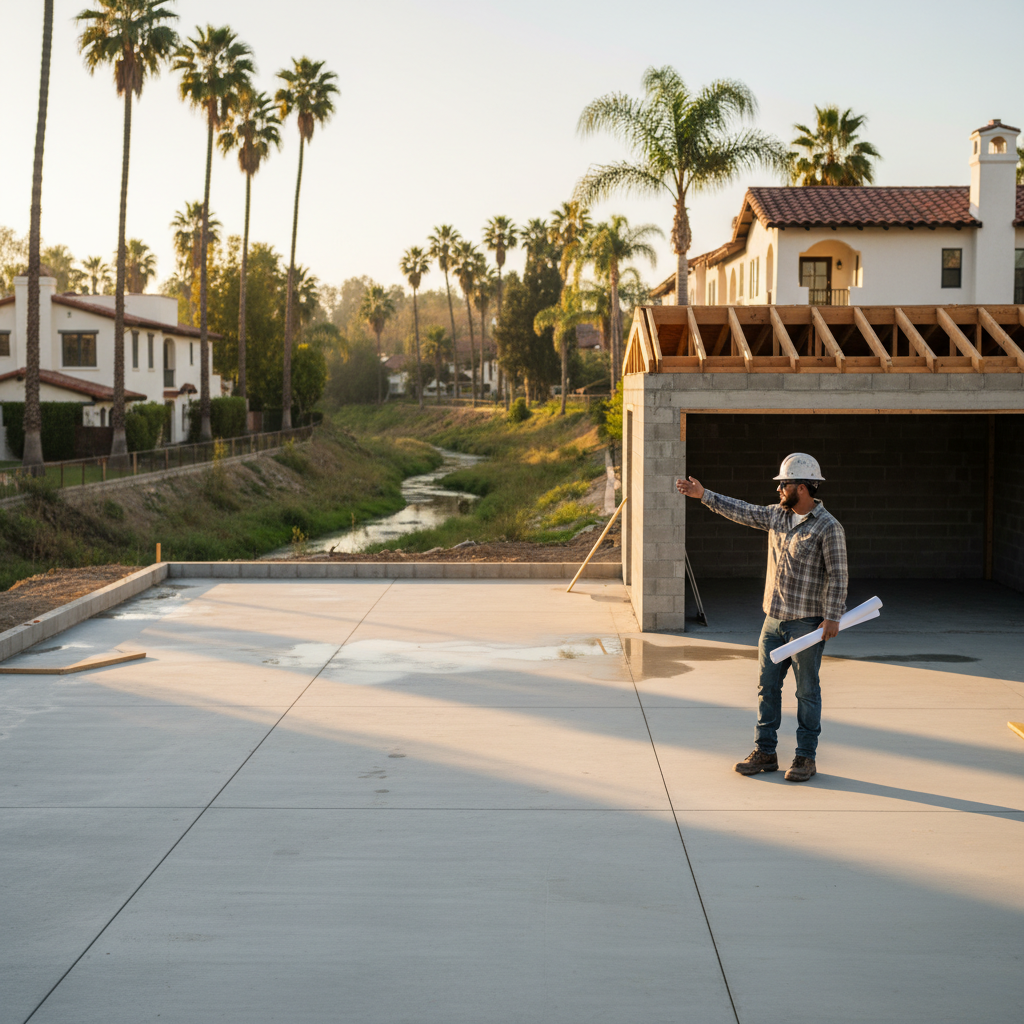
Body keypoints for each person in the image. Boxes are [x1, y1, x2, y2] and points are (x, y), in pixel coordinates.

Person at [675, 453, 848, 782]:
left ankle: (805, 758)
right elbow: (742, 510)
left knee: (806, 692)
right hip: (773, 622)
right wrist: (704, 495)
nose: (779, 490)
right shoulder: (777, 517)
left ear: (801, 487)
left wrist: (832, 617)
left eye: (783, 485)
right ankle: (765, 752)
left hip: (806, 625)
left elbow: (839, 576)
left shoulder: (829, 528)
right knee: (766, 689)